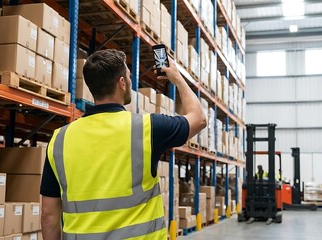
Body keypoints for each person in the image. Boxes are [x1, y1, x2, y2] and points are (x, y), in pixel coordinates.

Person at [40, 49, 207, 240]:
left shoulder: (60, 139)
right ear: (121, 83)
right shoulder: (148, 128)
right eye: (128, 76)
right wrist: (177, 78)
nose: (129, 81)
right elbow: (199, 118)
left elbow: (49, 215)